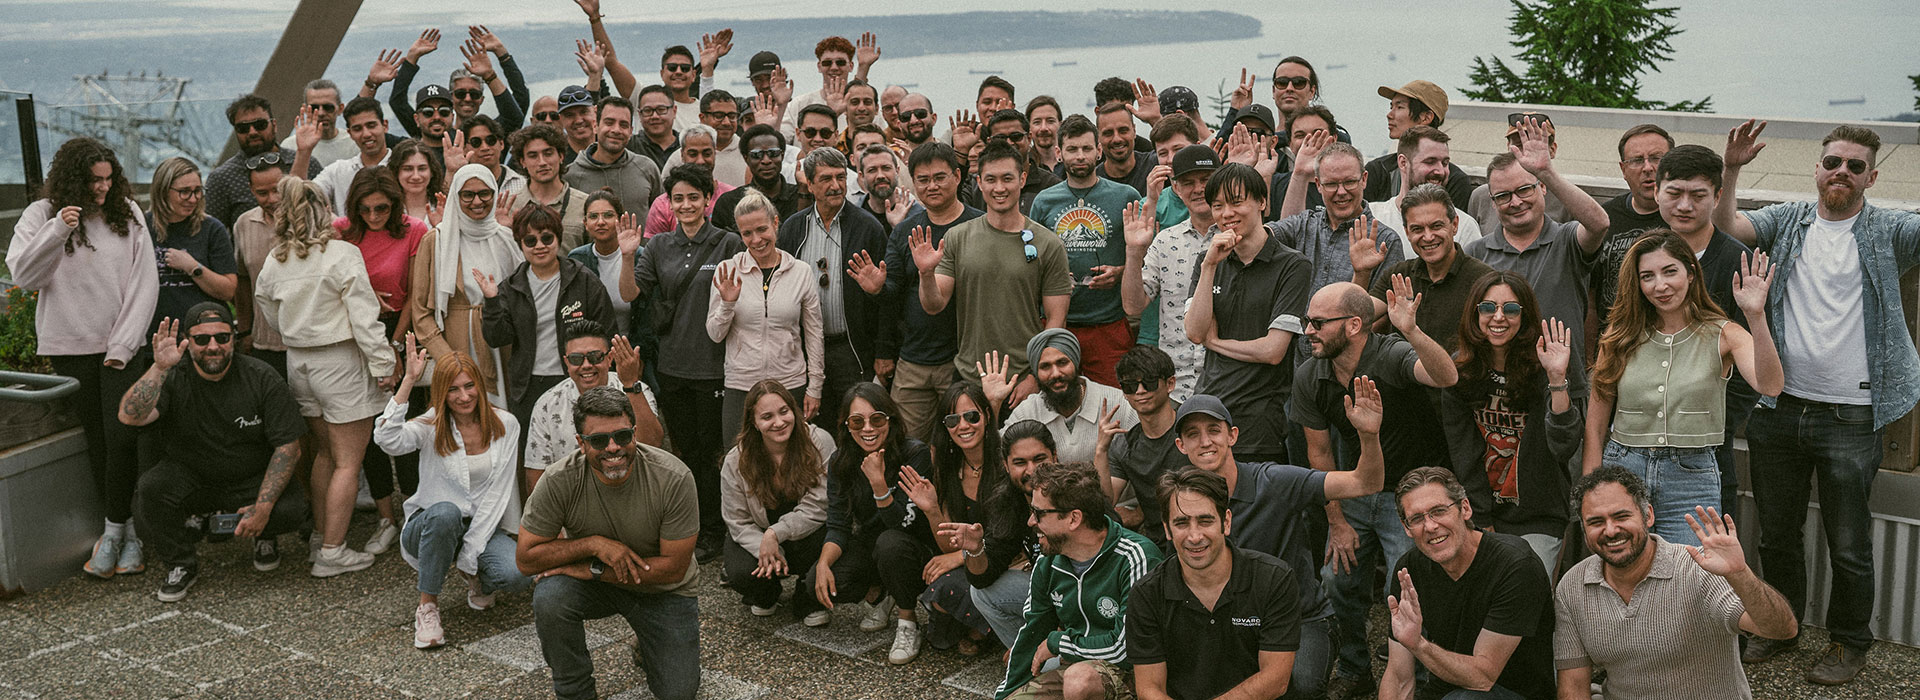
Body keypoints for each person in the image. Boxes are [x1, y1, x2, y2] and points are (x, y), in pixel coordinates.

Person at [1714, 121, 1920, 684]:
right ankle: (1782, 629)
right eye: (1833, 161)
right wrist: (1731, 168)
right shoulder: (1788, 220)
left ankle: (1851, 641)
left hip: (1852, 414)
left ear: (1871, 177)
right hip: (1778, 407)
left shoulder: (1889, 230)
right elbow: (1727, 224)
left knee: (1848, 539)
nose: (1842, 172)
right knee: (1777, 532)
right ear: (1817, 166)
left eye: (1855, 166)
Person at [1291, 281, 1457, 691]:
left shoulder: (1390, 354)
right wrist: (1336, 521)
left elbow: (1446, 376)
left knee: (1404, 585)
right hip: (1356, 489)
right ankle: (1354, 666)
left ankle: (1416, 677)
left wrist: (1412, 332)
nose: (1308, 330)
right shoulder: (1310, 375)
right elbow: (1319, 454)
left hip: (1414, 493)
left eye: (1317, 322)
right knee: (1337, 579)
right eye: (1306, 321)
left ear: (1352, 326)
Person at [1172, 388, 1387, 700]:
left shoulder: (1273, 481)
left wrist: (1369, 436)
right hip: (1233, 625)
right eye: (1193, 434)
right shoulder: (1181, 500)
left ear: (1232, 435)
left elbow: (1366, 482)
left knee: (1296, 686)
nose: (1205, 441)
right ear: (1181, 445)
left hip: (1301, 620)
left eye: (1214, 430)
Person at [8, 137, 156, 578]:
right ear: (73, 180)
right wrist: (58, 229)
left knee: (122, 437)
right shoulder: (41, 215)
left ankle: (116, 531)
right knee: (98, 439)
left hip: (119, 347)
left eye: (109, 179)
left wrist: (123, 346)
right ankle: (123, 534)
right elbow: (24, 276)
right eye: (94, 181)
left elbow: (145, 281)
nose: (103, 189)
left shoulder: (126, 212)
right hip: (69, 348)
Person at [1584, 231, 1780, 547]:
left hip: (1692, 476)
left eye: (1670, 271)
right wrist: (1591, 492)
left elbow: (1770, 385)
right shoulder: (1618, 339)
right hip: (1622, 470)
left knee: (1689, 580)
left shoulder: (1725, 333)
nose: (1660, 285)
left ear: (1690, 273)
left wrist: (1755, 316)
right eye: (1647, 276)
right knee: (1627, 576)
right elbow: (1594, 430)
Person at [517, 386, 701, 700]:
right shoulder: (558, 479)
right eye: (599, 440)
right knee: (550, 597)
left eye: (623, 436)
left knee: (678, 693)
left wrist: (593, 570)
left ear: (634, 432)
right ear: (580, 442)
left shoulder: (673, 477)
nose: (613, 448)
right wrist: (593, 545)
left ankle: (647, 642)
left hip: (661, 589)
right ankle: (575, 692)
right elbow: (526, 559)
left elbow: (673, 569)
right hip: (599, 586)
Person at [1553, 466, 1798, 700]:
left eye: (1621, 516)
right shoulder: (1572, 587)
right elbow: (1573, 687)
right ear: (1583, 529)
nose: (1611, 530)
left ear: (1648, 515)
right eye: (1596, 522)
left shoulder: (1699, 568)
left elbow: (1782, 629)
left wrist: (1740, 573)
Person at [253, 177, 394, 577]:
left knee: (324, 454)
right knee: (349, 461)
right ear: (324, 209)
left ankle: (320, 537)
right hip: (340, 361)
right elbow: (366, 321)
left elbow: (268, 311)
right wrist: (384, 366)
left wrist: (295, 330)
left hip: (299, 361)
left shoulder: (275, 260)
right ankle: (333, 550)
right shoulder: (342, 254)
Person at [120, 305, 307, 601]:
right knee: (150, 492)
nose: (213, 347)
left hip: (250, 478)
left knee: (291, 509)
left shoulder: (261, 377)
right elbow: (131, 416)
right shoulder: (172, 375)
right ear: (187, 342)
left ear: (233, 338)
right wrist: (159, 367)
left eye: (221, 337)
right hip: (193, 477)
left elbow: (289, 448)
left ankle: (263, 535)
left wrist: (264, 506)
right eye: (202, 339)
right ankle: (181, 563)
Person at [375, 341, 532, 649]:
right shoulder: (431, 425)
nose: (464, 396)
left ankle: (473, 577)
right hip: (428, 525)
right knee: (446, 512)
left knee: (518, 575)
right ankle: (428, 606)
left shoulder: (506, 424)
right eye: (453, 390)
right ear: (441, 394)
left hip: (479, 526)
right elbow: (386, 439)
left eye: (469, 386)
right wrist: (408, 380)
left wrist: (470, 554)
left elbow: (498, 495)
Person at [630, 164, 745, 563]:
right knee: (684, 453)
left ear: (708, 199)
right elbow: (632, 292)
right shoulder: (659, 246)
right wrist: (629, 253)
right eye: (677, 198)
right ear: (668, 203)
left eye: (693, 197)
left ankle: (717, 529)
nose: (686, 205)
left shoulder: (729, 243)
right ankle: (691, 527)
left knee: (715, 453)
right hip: (673, 366)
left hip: (715, 365)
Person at [1441, 272, 1582, 574]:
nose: (1499, 317)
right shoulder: (1459, 372)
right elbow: (1463, 453)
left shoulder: (1546, 363)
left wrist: (1557, 379)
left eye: (1512, 309)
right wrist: (1480, 518)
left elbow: (1564, 445)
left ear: (1525, 315)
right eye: (1488, 308)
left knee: (1530, 593)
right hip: (1483, 510)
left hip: (1539, 513)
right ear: (1475, 313)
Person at [1378, 467, 1556, 700]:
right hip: (1450, 688)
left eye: (1438, 511)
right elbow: (1399, 677)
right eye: (1417, 518)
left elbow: (1483, 677)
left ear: (1465, 508)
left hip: (1514, 693)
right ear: (1406, 528)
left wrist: (1420, 645)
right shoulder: (1410, 569)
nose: (1430, 526)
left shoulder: (1515, 565)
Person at [1649, 145, 1761, 514]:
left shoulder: (1737, 263)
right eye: (1674, 193)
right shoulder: (1643, 255)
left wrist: (1716, 420)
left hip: (1708, 444)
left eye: (1698, 195)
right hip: (1638, 435)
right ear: (1656, 192)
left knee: (1707, 557)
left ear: (1717, 196)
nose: (1684, 205)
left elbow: (1754, 362)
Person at [993, 460, 1163, 700]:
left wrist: (1058, 644)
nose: (1031, 522)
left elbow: (1125, 649)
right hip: (1076, 665)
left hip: (1136, 676)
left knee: (1079, 681)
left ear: (1074, 519)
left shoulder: (1136, 557)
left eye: (1039, 513)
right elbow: (1031, 634)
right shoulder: (1048, 562)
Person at [1128, 468, 1302, 700]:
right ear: (1167, 529)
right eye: (1181, 523)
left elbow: (1275, 679)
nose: (1194, 536)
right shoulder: (1146, 594)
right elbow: (1150, 689)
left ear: (1226, 521)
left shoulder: (1273, 578)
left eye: (1205, 521)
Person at [1464, 118, 1612, 379]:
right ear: (1492, 201)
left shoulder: (1568, 240)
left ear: (1542, 187)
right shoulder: (1475, 254)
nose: (1516, 202)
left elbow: (1599, 224)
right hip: (1499, 393)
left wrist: (1546, 171)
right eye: (1503, 196)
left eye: (1524, 189)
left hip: (1563, 389)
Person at [803, 383, 938, 665]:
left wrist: (879, 484)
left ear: (890, 419)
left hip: (914, 546)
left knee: (890, 543)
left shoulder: (915, 453)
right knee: (815, 580)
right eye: (857, 421)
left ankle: (907, 620)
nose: (868, 428)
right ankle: (879, 595)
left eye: (876, 419)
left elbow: (903, 523)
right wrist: (825, 564)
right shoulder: (840, 460)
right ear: (847, 426)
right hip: (870, 545)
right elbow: (838, 524)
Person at [1186, 163, 1310, 462]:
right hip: (1209, 408)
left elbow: (1273, 350)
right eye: (1217, 205)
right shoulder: (1208, 261)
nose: (1227, 213)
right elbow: (1194, 332)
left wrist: (1214, 343)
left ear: (1262, 202)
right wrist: (1209, 267)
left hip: (1260, 417)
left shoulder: (1293, 265)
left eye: (1237, 202)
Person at [334, 166, 429, 551]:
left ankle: (413, 509)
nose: (374, 217)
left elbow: (414, 293)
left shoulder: (414, 231)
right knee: (369, 431)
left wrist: (395, 347)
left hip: (401, 329)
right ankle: (385, 516)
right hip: (353, 330)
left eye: (382, 209)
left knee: (404, 423)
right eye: (366, 210)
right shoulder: (341, 230)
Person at [866, 143, 982, 440]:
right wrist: (878, 289)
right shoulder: (905, 230)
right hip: (913, 359)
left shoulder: (980, 225)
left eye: (939, 177)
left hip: (965, 360)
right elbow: (892, 294)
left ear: (957, 176)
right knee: (906, 444)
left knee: (967, 443)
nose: (931, 186)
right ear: (913, 183)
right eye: (923, 179)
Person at [479, 203, 618, 448]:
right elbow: (497, 338)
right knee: (534, 452)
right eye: (530, 241)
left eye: (546, 237)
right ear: (520, 245)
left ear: (558, 238)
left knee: (585, 446)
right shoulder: (510, 287)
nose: (540, 246)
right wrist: (491, 303)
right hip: (528, 384)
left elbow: (607, 332)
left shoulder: (583, 279)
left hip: (579, 378)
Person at [777, 147, 890, 427]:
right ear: (810, 183)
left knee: (855, 423)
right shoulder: (793, 228)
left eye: (841, 177)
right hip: (803, 349)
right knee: (810, 425)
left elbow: (888, 295)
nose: (836, 185)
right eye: (826, 178)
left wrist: (884, 351)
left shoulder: (869, 227)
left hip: (851, 348)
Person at [709, 191, 826, 442]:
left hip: (789, 382)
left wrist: (814, 387)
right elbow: (715, 334)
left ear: (775, 223)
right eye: (747, 233)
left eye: (762, 229)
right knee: (738, 460)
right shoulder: (727, 270)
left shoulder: (801, 272)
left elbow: (814, 334)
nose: (756, 240)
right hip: (741, 385)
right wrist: (728, 303)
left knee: (791, 462)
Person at [1031, 115, 1138, 387]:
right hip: (1059, 325)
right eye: (1072, 149)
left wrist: (1121, 272)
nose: (1080, 156)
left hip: (1109, 324)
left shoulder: (1126, 196)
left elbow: (1148, 259)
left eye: (1087, 149)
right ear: (1058, 153)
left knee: (1113, 404)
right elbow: (1030, 259)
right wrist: (1050, 277)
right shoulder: (1044, 201)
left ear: (1098, 151)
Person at [906, 382, 1007, 655]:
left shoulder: (1006, 461)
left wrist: (959, 558)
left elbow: (1010, 542)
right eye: (953, 419)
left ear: (986, 416)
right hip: (975, 561)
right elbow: (948, 545)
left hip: (1009, 562)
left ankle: (996, 629)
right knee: (940, 594)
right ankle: (989, 626)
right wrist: (931, 509)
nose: (963, 425)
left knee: (951, 587)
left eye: (971, 416)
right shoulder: (948, 468)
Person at [408, 164, 522, 401]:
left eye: (484, 193)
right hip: (455, 344)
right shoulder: (436, 240)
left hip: (503, 348)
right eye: (467, 194)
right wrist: (449, 360)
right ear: (456, 197)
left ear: (494, 193)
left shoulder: (506, 238)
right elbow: (420, 313)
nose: (477, 201)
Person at [721, 380, 835, 618]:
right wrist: (766, 548)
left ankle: (808, 593)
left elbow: (820, 504)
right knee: (740, 571)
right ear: (754, 422)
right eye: (767, 416)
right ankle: (766, 592)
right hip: (759, 537)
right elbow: (737, 520)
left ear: (794, 409)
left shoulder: (820, 442)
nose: (779, 422)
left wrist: (776, 534)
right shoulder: (735, 460)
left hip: (807, 534)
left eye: (784, 411)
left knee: (827, 537)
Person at [1123, 144, 1219, 403]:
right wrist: (1134, 252)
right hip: (1176, 387)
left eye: (1206, 180)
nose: (1198, 189)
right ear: (1175, 188)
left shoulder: (1241, 237)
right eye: (1188, 182)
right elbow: (1133, 306)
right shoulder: (1165, 241)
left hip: (1228, 382)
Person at [521, 320, 662, 491]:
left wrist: (631, 384)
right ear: (566, 363)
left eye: (595, 357)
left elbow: (653, 446)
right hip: (570, 502)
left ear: (609, 358)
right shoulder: (547, 404)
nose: (586, 365)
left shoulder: (635, 389)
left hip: (631, 493)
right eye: (576, 359)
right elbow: (536, 478)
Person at [995, 329, 1139, 471]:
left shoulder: (1118, 403)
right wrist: (994, 403)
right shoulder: (1029, 410)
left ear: (1076, 364)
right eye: (1045, 367)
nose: (1056, 373)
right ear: (1036, 373)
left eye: (1062, 363)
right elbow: (996, 453)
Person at [1591, 124, 1677, 328]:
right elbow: (1591, 296)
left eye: (1657, 158)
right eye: (1637, 160)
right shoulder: (1604, 218)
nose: (1648, 168)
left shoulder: (1685, 219)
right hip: (1613, 342)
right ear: (1623, 169)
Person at [1100, 346, 1186, 543]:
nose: (1140, 391)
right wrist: (1101, 450)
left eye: (1148, 382)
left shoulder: (1191, 427)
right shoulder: (1124, 445)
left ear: (1170, 383)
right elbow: (1105, 504)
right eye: (1130, 385)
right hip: (1156, 541)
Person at [145, 157, 238, 340]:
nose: (193, 199)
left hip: (203, 338)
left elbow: (228, 290)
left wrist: (193, 267)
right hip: (153, 336)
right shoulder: (141, 227)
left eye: (198, 191)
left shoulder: (212, 229)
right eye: (184, 192)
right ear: (163, 191)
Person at [376, 26, 527, 138]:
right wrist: (411, 59)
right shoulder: (434, 133)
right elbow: (398, 102)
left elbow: (520, 102)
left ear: (482, 99)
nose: (467, 99)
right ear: (451, 97)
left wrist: (501, 54)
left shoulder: (491, 135)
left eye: (474, 94)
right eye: (461, 93)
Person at [205, 95, 322, 227]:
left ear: (274, 125)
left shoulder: (307, 163)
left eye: (260, 125)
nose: (252, 132)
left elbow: (325, 211)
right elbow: (213, 233)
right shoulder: (222, 178)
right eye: (243, 128)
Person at [1366, 128, 1483, 258]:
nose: (1441, 171)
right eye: (1430, 162)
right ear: (1403, 163)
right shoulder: (1373, 217)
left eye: (1445, 163)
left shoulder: (1464, 226)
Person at [1363, 81, 1473, 211]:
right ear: (1402, 162)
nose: (1390, 115)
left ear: (1426, 117)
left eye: (1399, 107)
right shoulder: (1378, 171)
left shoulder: (1455, 181)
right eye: (1391, 107)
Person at [233, 157, 293, 375]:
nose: (272, 199)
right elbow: (242, 280)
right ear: (251, 190)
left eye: (277, 190)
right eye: (262, 193)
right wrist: (245, 330)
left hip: (305, 341)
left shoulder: (309, 220)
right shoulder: (243, 224)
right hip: (263, 343)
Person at [563, 96, 663, 223]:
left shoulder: (647, 168)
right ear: (595, 126)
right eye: (609, 123)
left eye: (623, 125)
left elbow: (662, 219)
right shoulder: (571, 176)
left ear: (631, 131)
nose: (616, 130)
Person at [779, 34, 879, 141]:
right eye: (827, 63)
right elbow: (780, 141)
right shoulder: (799, 104)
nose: (834, 67)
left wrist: (863, 68)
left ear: (851, 66)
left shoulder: (865, 107)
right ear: (819, 66)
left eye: (840, 62)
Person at [568, 189, 640, 337]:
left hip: (635, 348)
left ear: (620, 220)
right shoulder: (576, 259)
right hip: (592, 350)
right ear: (585, 224)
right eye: (593, 216)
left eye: (608, 215)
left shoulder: (640, 256)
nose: (600, 222)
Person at [507, 124, 590, 250]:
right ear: (522, 162)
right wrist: (503, 231)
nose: (542, 162)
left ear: (561, 156)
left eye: (548, 153)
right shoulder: (510, 206)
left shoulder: (585, 204)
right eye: (533, 156)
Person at [644, 126, 738, 236]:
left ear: (715, 154)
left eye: (706, 154)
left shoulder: (733, 198)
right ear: (682, 155)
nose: (700, 161)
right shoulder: (663, 204)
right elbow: (655, 249)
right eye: (693, 154)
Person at [711, 124, 808, 232]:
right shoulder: (729, 203)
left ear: (782, 155)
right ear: (746, 158)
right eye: (757, 155)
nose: (766, 160)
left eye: (773, 153)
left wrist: (804, 195)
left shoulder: (801, 196)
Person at [305, 97, 393, 216]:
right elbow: (303, 197)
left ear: (385, 125)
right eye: (357, 129)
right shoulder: (337, 171)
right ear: (350, 133)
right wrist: (304, 150)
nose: (366, 134)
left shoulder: (406, 168)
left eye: (371, 125)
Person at [663, 91, 749, 187]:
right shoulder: (680, 157)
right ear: (702, 118)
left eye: (732, 116)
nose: (726, 122)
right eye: (718, 116)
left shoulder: (748, 153)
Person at [279, 80, 358, 168]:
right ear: (305, 110)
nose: (321, 113)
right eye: (314, 108)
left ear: (340, 109)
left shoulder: (354, 142)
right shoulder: (290, 146)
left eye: (328, 107)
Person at [1095, 103, 1158, 197]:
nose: (1117, 139)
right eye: (1108, 133)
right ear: (1098, 137)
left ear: (1134, 131)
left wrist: (1156, 121)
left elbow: (1184, 157)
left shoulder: (1155, 165)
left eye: (1123, 130)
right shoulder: (1093, 181)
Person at [390, 138, 446, 226]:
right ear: (396, 172)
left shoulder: (445, 207)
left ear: (432, 172)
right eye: (408, 169)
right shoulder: (387, 210)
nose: (416, 176)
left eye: (422, 168)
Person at [631, 85, 681, 169]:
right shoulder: (630, 147)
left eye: (661, 109)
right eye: (647, 111)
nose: (655, 116)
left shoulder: (686, 145)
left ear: (674, 111)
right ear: (639, 115)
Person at [1025, 96, 1064, 173]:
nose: (1044, 128)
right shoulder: (1025, 166)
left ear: (1060, 125)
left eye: (1050, 121)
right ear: (1029, 127)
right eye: (1037, 122)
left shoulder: (1072, 162)